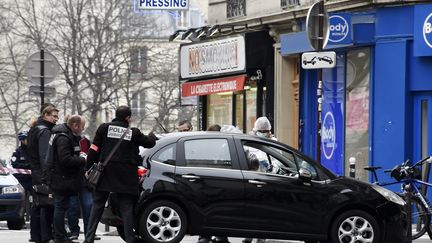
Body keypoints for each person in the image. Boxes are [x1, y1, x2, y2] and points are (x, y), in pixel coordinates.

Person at [83, 106, 158, 243]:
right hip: (126, 176)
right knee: (126, 208)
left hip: (105, 174)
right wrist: (152, 136)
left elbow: (93, 150)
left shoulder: (104, 128)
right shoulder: (133, 133)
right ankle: (130, 239)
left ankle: (89, 239)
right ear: (128, 118)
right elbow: (149, 143)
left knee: (98, 205)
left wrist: (88, 169)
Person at [48, 115, 86, 243]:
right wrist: (82, 159)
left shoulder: (65, 135)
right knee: (60, 207)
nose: (83, 129)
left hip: (64, 178)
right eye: (82, 126)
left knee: (61, 207)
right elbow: (64, 159)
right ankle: (60, 236)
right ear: (75, 126)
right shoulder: (64, 138)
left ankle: (61, 235)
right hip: (63, 178)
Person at [27, 104, 59, 243]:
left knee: (37, 204)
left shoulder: (34, 129)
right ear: (45, 115)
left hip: (35, 172)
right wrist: (47, 175)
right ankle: (46, 237)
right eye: (54, 116)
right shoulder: (45, 131)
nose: (56, 119)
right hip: (42, 173)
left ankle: (36, 236)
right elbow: (45, 156)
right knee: (46, 204)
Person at [11, 131, 32, 232]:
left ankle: (34, 220)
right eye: (27, 139)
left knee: (36, 201)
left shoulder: (32, 151)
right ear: (22, 140)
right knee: (22, 202)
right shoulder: (17, 152)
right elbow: (15, 165)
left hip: (32, 180)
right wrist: (28, 166)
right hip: (22, 181)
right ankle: (21, 221)